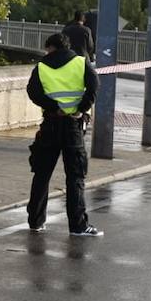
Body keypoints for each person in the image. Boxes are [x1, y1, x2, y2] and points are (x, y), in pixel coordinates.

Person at [25, 32, 103, 237]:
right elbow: (94, 85)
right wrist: (82, 107)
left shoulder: (41, 66)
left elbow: (32, 92)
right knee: (75, 176)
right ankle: (78, 225)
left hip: (50, 123)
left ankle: (35, 221)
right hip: (72, 125)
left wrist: (52, 106)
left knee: (42, 174)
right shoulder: (80, 62)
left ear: (51, 47)